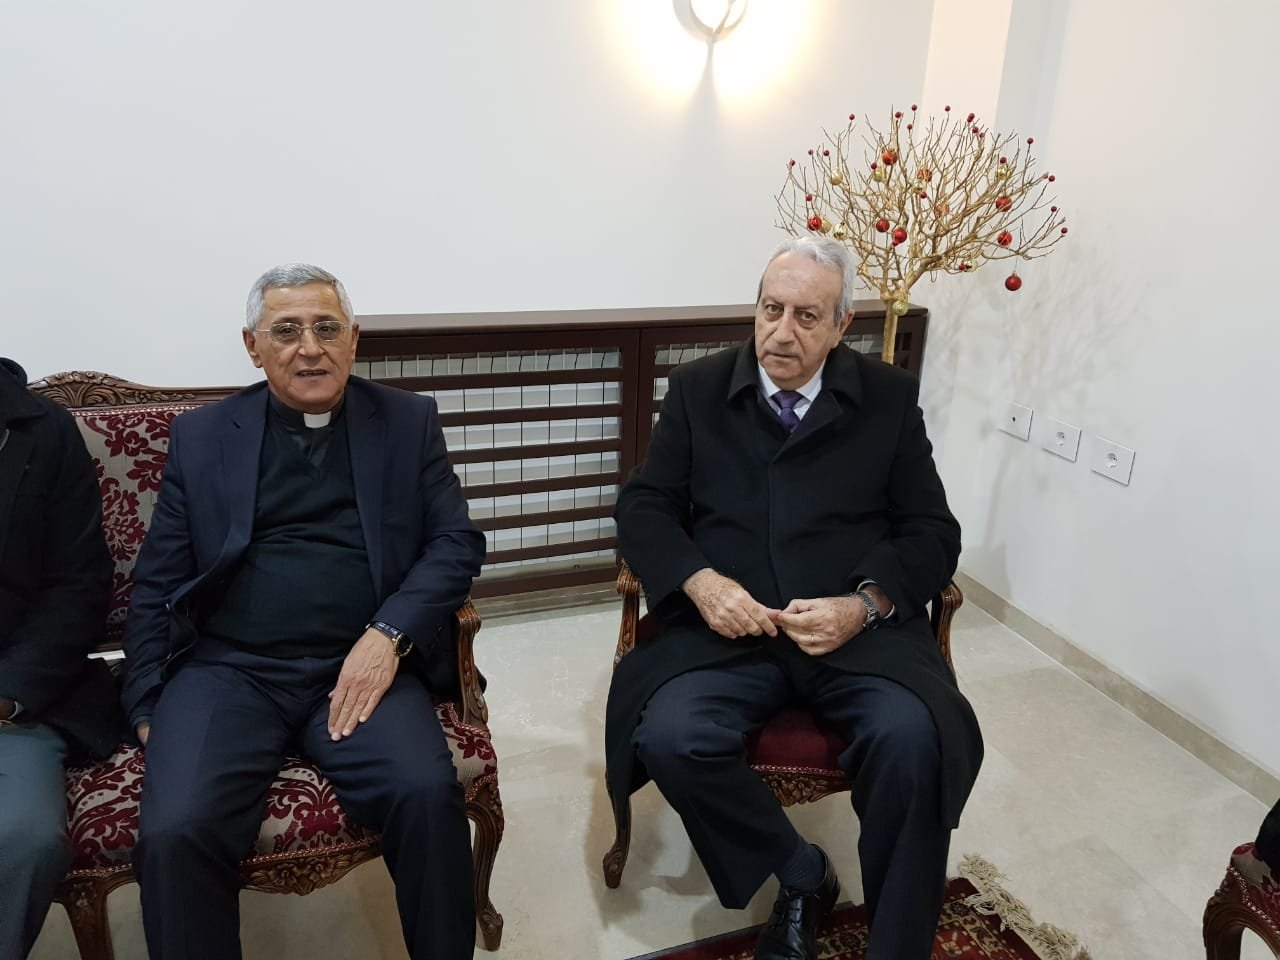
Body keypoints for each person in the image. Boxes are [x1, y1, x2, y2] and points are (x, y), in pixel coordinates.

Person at [605, 236, 984, 960]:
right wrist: (701, 582)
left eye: (807, 316)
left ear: (842, 326)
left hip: (854, 633)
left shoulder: (887, 397)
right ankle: (803, 873)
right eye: (770, 309)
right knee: (671, 737)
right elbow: (645, 505)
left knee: (915, 740)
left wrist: (863, 604)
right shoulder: (699, 389)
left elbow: (932, 529)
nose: (781, 332)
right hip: (730, 627)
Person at [122, 264, 486, 960]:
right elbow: (159, 578)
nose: (310, 348)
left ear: (354, 340)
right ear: (253, 346)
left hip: (359, 663)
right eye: (286, 331)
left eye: (326, 328)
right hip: (230, 669)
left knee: (424, 794)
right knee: (176, 829)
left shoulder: (407, 421)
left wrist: (389, 635)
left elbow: (455, 542)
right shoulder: (203, 436)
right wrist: (144, 701)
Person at [1, 357, 123, 959]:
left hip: (16, 700)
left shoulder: (42, 430)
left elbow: (78, 585)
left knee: (22, 838)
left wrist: (8, 693)